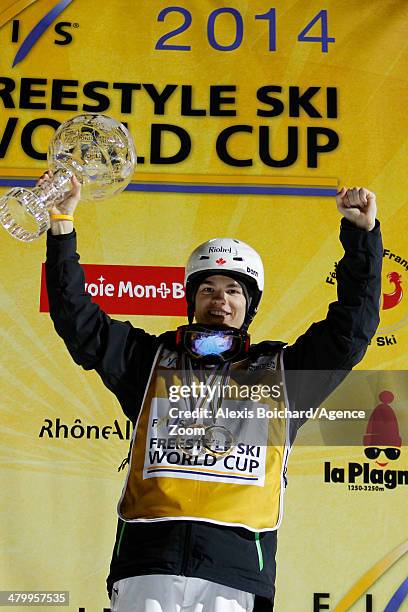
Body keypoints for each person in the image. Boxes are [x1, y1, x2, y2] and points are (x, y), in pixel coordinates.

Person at [42, 170, 382, 612]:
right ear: (192, 301)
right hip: (148, 565)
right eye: (207, 289)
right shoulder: (149, 361)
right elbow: (77, 320)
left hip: (235, 575)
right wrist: (61, 225)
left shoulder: (281, 372)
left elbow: (349, 332)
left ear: (249, 306)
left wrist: (361, 236)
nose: (219, 300)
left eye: (233, 291)